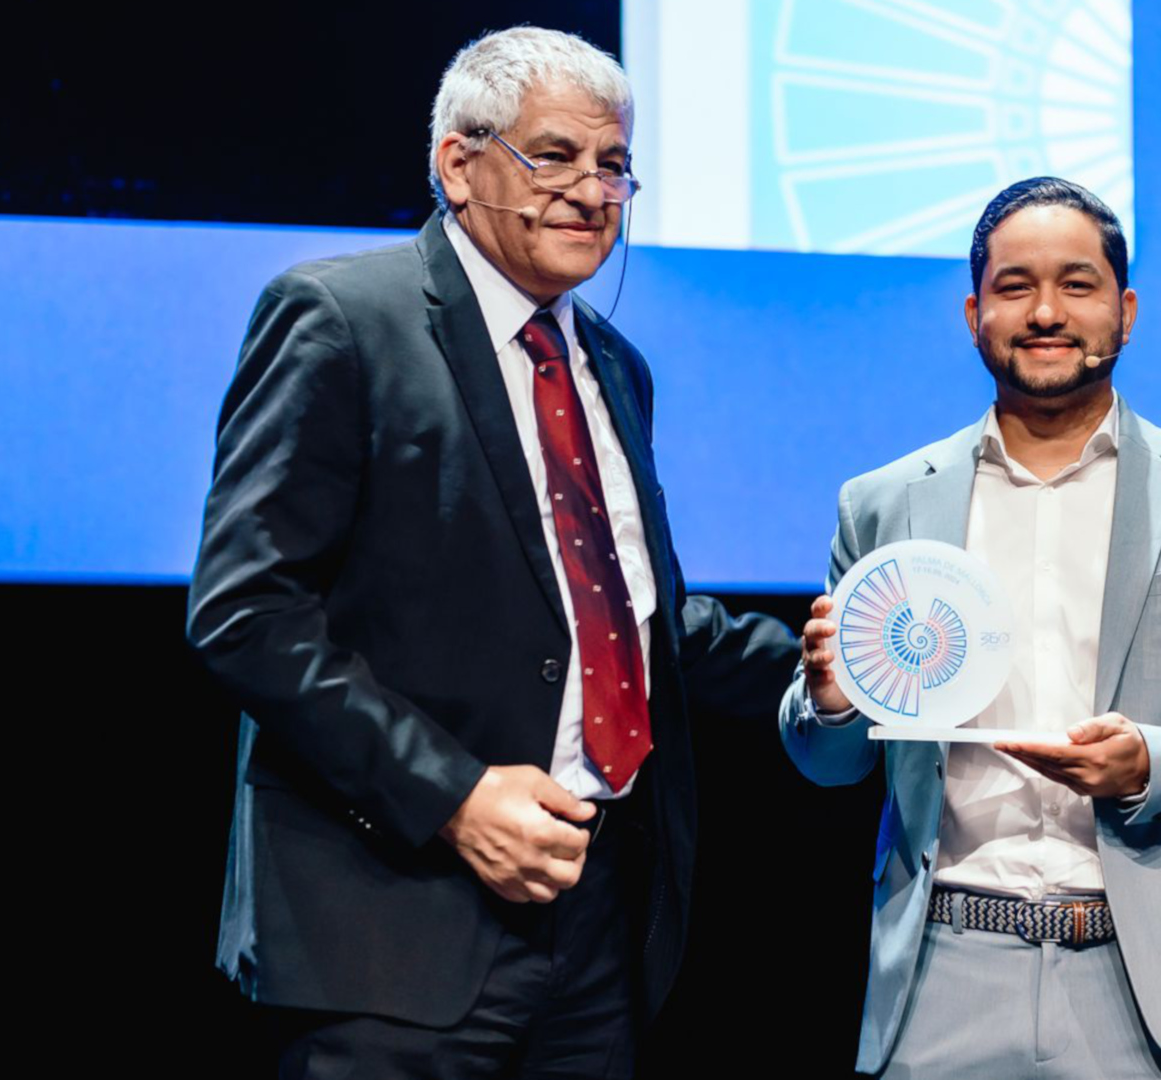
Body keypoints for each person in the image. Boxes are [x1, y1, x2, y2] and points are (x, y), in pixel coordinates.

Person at [188, 27, 796, 1079]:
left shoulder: (613, 365)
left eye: (614, 165)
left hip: (595, 929)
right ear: (459, 165)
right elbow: (248, 613)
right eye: (555, 156)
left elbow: (620, 614)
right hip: (388, 931)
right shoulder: (340, 319)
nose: (592, 192)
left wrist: (827, 665)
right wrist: (455, 799)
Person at [781, 177, 1161, 1078]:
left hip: (1152, 983)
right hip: (942, 975)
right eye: (1015, 287)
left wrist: (1154, 763)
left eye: (1077, 285)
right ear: (975, 315)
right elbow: (827, 761)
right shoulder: (883, 504)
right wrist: (835, 704)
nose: (1046, 312)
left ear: (1126, 312)